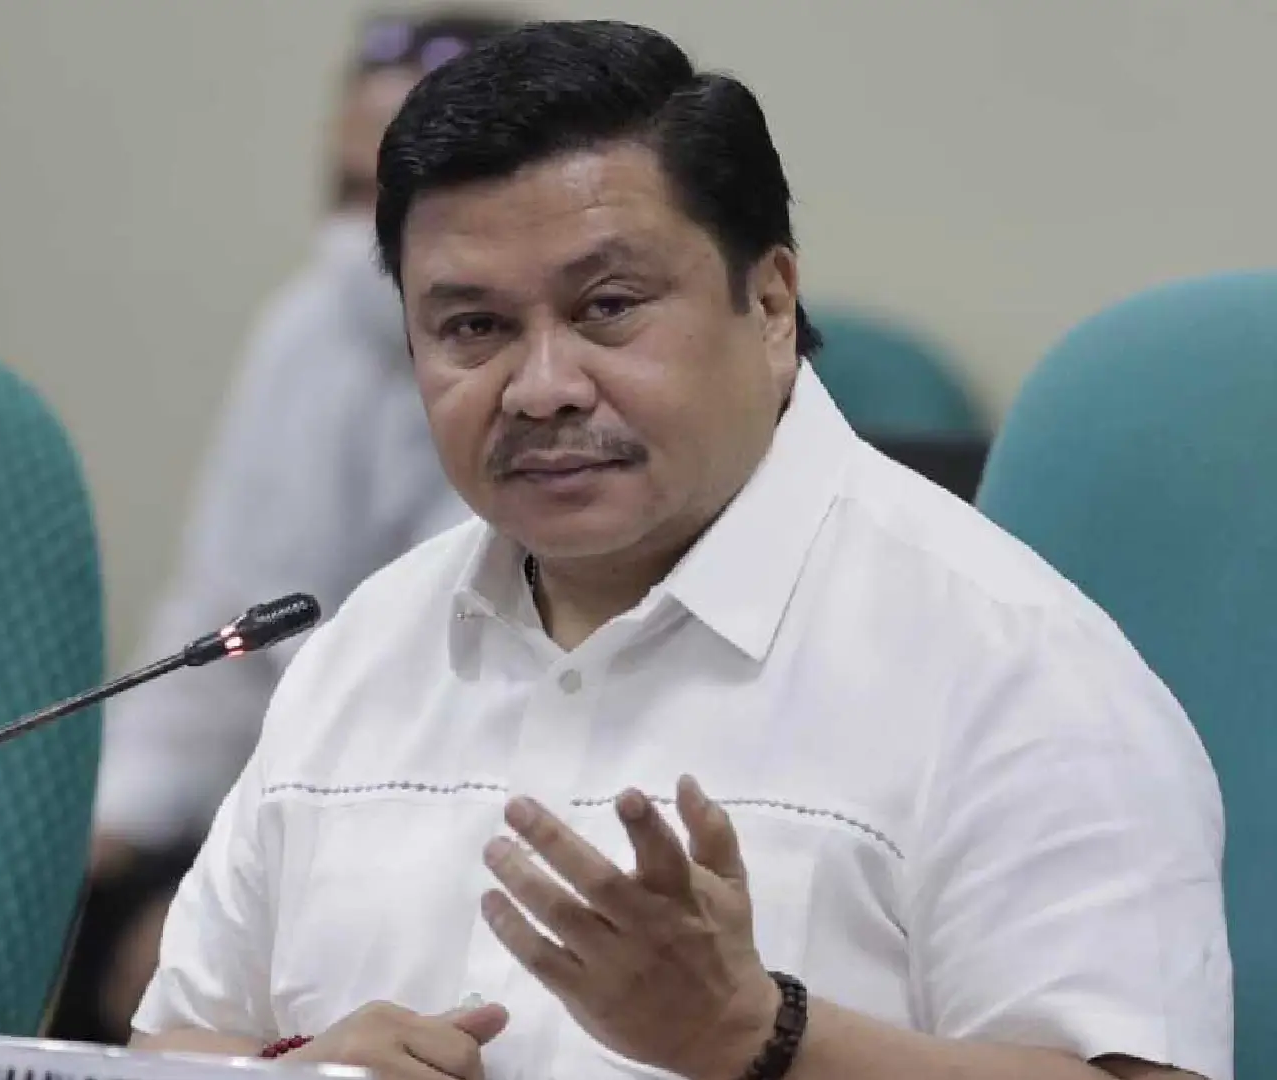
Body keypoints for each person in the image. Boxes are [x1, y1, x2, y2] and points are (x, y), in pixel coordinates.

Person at [129, 19, 1232, 1080]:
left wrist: (757, 1039)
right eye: (473, 328)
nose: (542, 387)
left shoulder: (1010, 662)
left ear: (772, 305)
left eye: (608, 307)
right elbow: (169, 1047)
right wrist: (296, 1073)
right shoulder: (361, 649)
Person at [52, 9, 521, 1046]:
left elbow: (466, 689)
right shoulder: (310, 327)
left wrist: (236, 911)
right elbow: (226, 620)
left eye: (396, 200)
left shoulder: (541, 389)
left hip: (451, 830)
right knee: (68, 933)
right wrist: (103, 830)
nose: (360, 243)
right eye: (348, 195)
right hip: (272, 798)